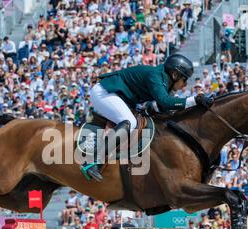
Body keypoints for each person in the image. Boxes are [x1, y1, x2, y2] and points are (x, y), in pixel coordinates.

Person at [81, 54, 214, 181]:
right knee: (129, 122)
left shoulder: (163, 79)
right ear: (174, 75)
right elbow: (165, 102)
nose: (185, 85)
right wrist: (195, 100)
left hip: (119, 96)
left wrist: (195, 104)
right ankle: (93, 160)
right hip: (105, 92)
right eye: (184, 79)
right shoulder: (155, 76)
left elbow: (159, 106)